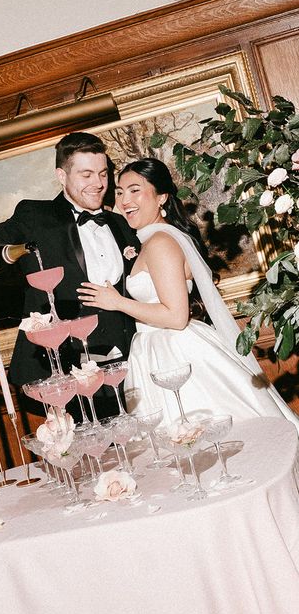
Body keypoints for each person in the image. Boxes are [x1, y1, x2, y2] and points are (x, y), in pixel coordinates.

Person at [77, 157, 299, 429]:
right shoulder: (155, 238)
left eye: (135, 190)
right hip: (159, 347)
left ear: (161, 197)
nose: (124, 201)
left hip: (173, 352)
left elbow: (176, 316)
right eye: (120, 193)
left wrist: (118, 302)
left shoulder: (160, 242)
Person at [0, 132, 138, 415]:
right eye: (86, 174)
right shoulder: (35, 216)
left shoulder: (120, 223)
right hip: (63, 371)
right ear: (61, 175)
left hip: (126, 366)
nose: (98, 184)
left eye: (103, 174)